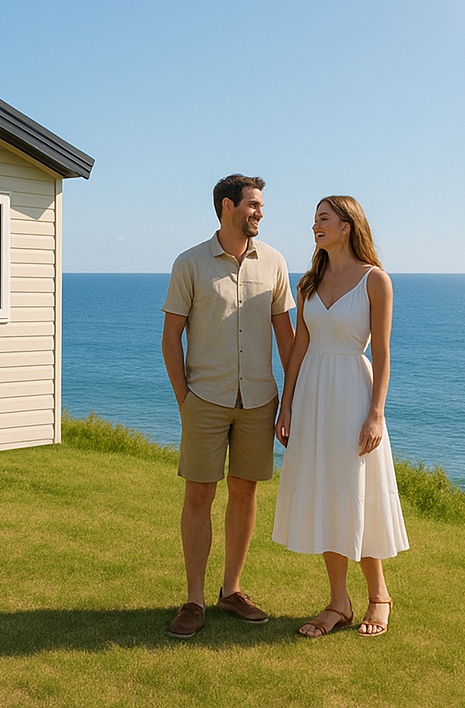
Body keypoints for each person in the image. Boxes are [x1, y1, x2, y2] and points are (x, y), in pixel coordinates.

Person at [162, 174, 296, 638]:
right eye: (254, 205)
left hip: (260, 401)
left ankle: (232, 591)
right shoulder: (190, 263)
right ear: (227, 206)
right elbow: (170, 337)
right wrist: (185, 400)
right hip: (206, 399)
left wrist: (290, 402)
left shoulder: (275, 262)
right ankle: (193, 599)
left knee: (246, 491)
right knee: (199, 494)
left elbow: (287, 339)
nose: (260, 212)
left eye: (261, 206)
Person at [271, 195, 409, 637]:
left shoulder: (376, 281)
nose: (315, 226)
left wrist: (376, 414)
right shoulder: (308, 283)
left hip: (354, 392)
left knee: (358, 493)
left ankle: (379, 595)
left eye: (323, 219)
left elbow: (384, 355)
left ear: (347, 226)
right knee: (327, 493)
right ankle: (338, 603)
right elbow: (297, 351)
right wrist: (286, 404)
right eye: (314, 220)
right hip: (313, 396)